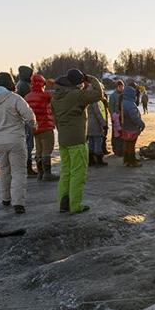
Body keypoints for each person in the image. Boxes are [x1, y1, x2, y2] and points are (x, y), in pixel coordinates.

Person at [0, 72, 37, 214]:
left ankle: (5, 198)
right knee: (18, 171)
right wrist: (33, 124)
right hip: (16, 140)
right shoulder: (15, 98)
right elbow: (29, 116)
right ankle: (18, 203)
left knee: (4, 169)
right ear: (10, 82)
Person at [51, 68, 105, 214]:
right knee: (78, 173)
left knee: (66, 172)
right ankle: (75, 206)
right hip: (77, 140)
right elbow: (98, 94)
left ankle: (64, 203)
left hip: (63, 140)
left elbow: (56, 119)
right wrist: (91, 78)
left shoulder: (56, 96)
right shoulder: (76, 95)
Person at [24, 74, 58, 181]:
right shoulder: (45, 95)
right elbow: (59, 94)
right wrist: (54, 84)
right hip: (46, 127)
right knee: (47, 150)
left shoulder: (27, 97)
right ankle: (47, 174)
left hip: (35, 128)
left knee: (38, 150)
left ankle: (40, 173)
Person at [15, 65, 36, 177]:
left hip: (22, 118)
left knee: (27, 144)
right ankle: (27, 169)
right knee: (28, 144)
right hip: (25, 118)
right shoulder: (24, 85)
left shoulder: (21, 84)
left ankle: (26, 168)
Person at [120, 84, 145, 167]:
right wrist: (141, 124)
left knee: (127, 144)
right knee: (131, 144)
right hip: (131, 128)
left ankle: (127, 159)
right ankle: (132, 161)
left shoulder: (123, 102)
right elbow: (134, 117)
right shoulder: (130, 104)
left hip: (126, 127)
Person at [87, 100, 108, 167]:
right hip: (96, 125)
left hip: (88, 125)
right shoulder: (94, 102)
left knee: (91, 143)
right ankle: (99, 160)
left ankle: (91, 160)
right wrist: (104, 125)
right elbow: (98, 114)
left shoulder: (86, 101)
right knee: (98, 142)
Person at [108, 80, 125, 157]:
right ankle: (116, 150)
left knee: (122, 134)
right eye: (120, 87)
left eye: (122, 87)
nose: (121, 88)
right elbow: (110, 107)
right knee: (116, 135)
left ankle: (122, 149)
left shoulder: (124, 95)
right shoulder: (113, 96)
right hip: (116, 118)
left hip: (123, 119)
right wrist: (113, 117)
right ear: (117, 87)